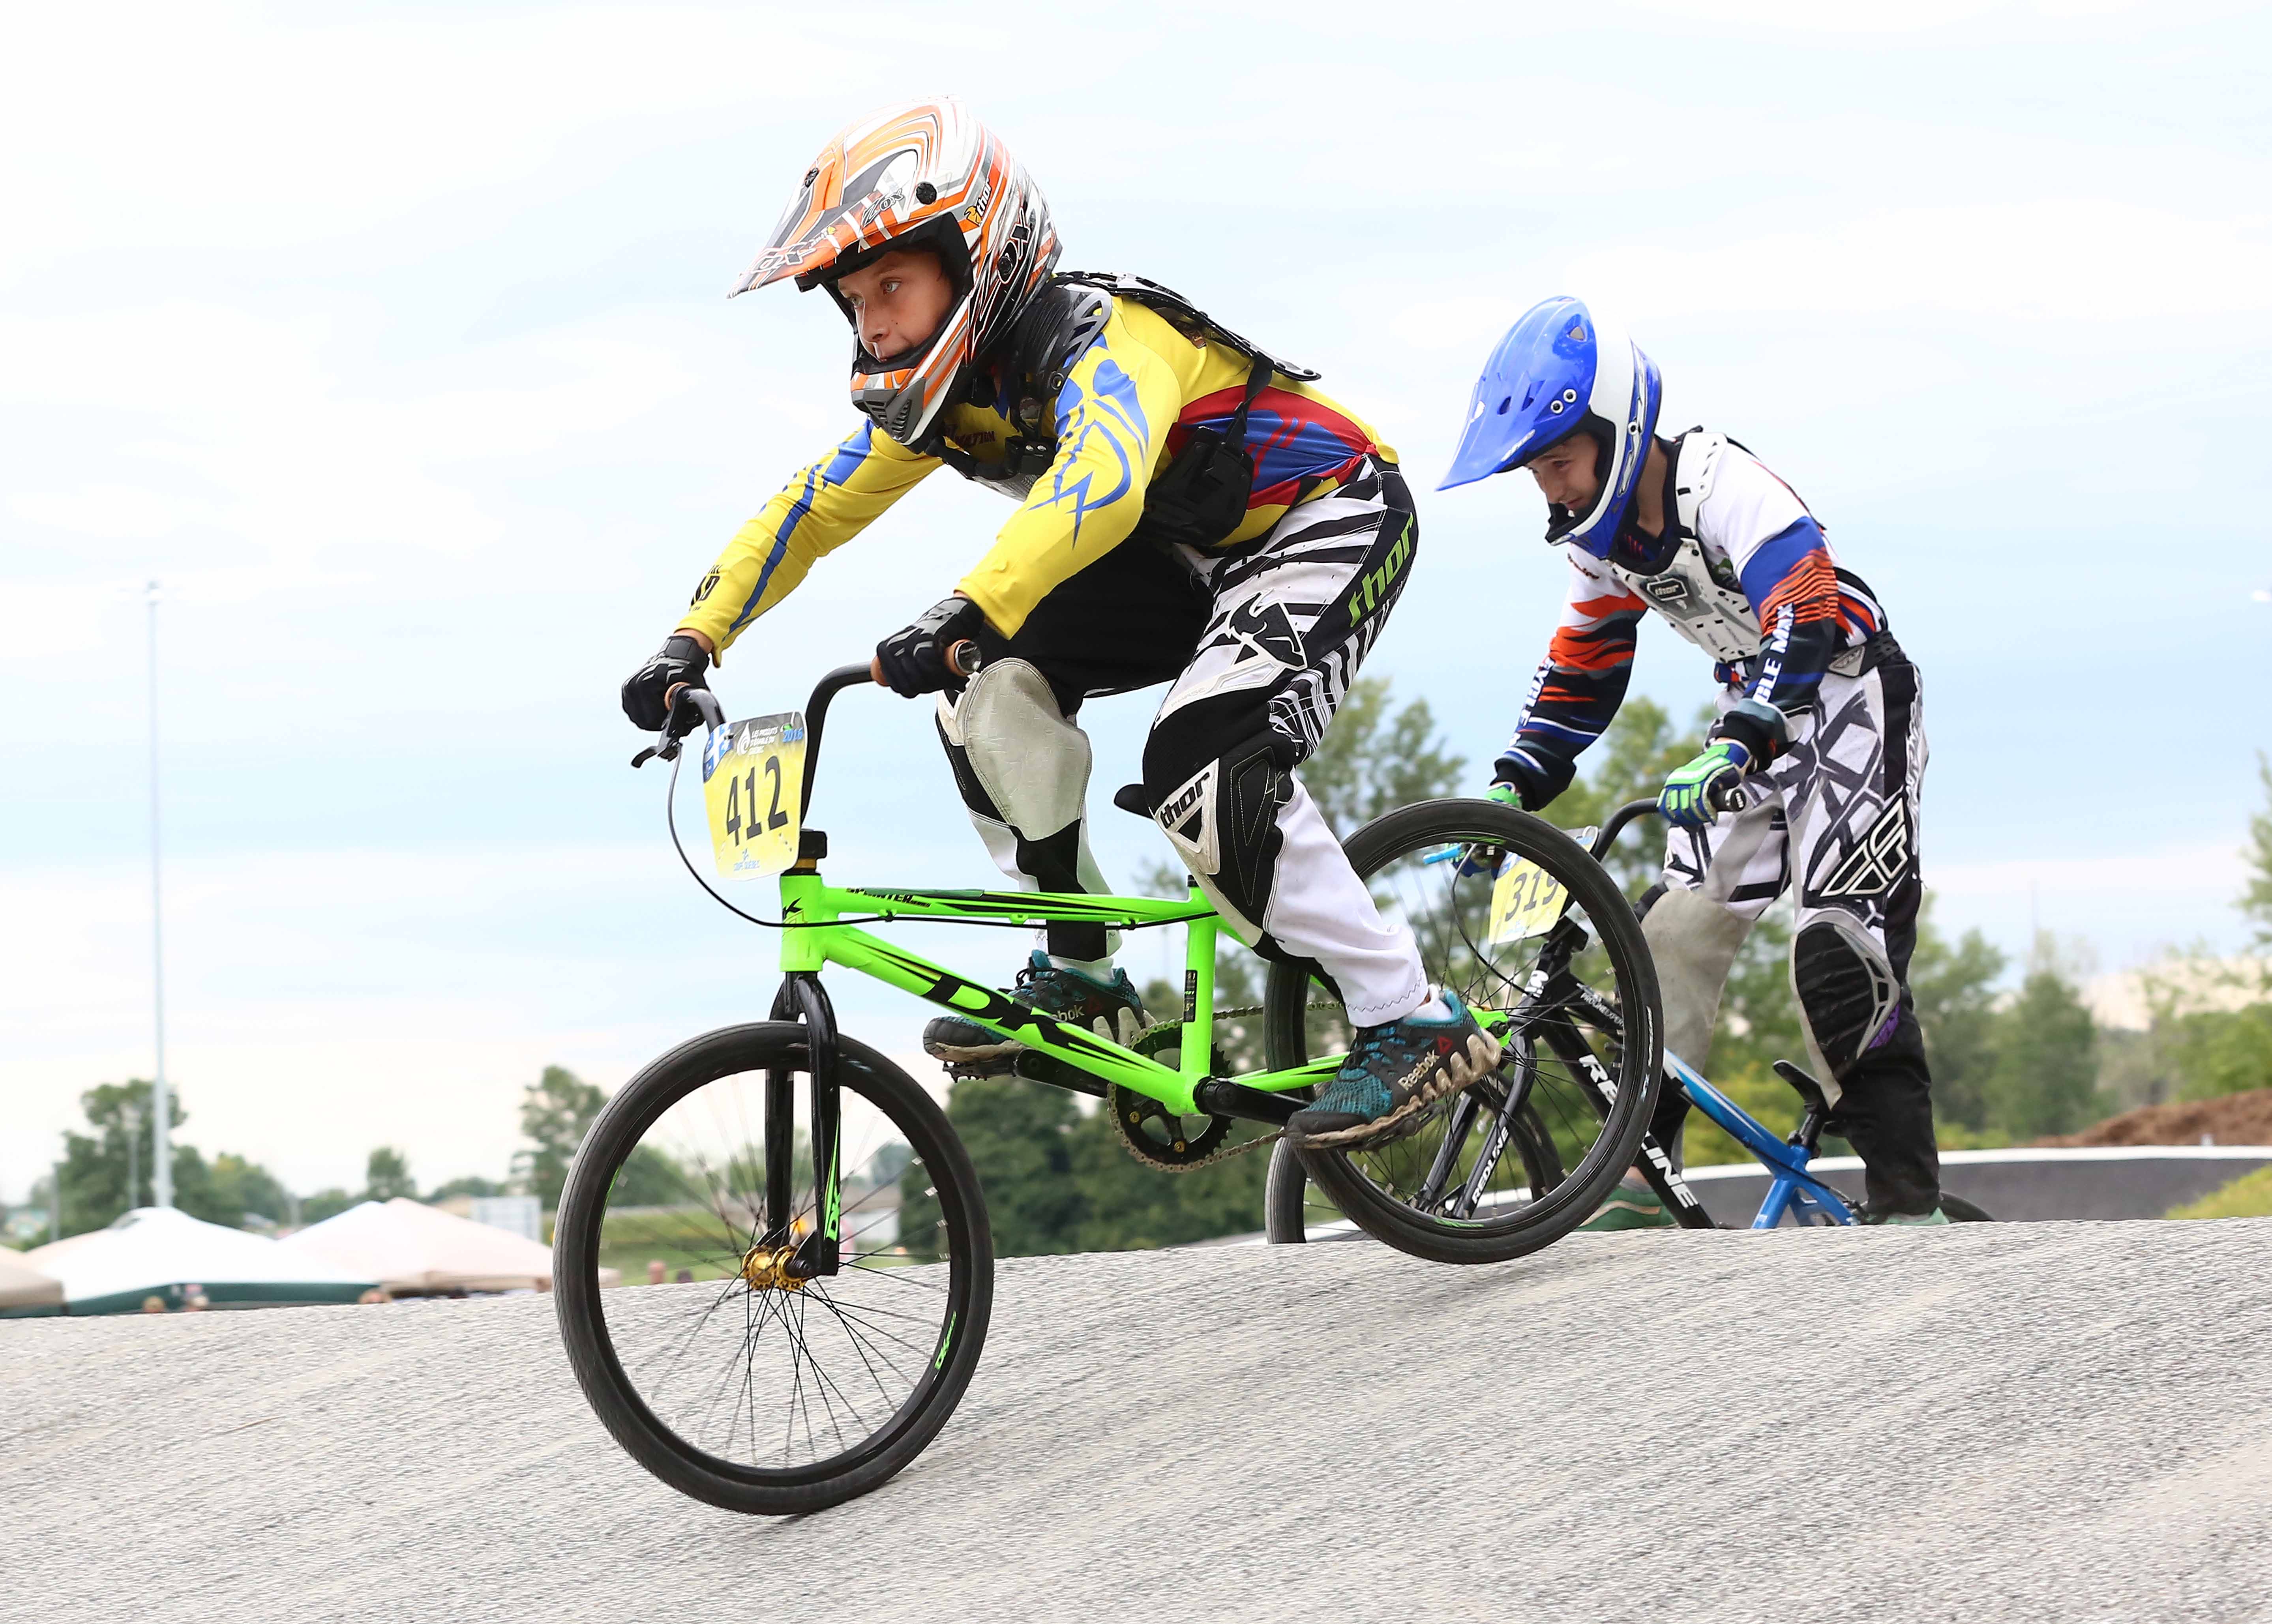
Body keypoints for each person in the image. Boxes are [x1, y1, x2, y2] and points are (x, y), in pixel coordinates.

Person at [619, 98, 1497, 1147]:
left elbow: (1102, 483)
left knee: (1200, 763)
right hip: (1184, 567)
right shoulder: (950, 395)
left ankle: (1412, 1013)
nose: (874, 327)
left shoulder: (1104, 341)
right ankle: (1087, 971)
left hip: (1324, 518)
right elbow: (811, 509)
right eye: (854, 302)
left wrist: (970, 606)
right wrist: (694, 638)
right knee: (985, 697)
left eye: (892, 286)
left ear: (976, 256)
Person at [1439, 296, 1944, 1224]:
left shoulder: (1722, 483)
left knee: (1839, 954)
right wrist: (1511, 785)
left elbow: (1807, 600)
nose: (1550, 489)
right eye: (1536, 473)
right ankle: (1642, 1176)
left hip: (1847, 689)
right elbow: (1582, 672)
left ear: (1618, 432)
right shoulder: (1599, 547)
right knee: (1668, 936)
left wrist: (1744, 735)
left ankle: (1911, 1204)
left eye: (1558, 462)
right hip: (1748, 711)